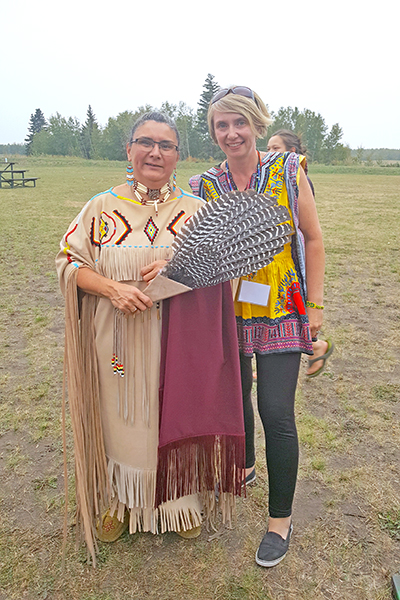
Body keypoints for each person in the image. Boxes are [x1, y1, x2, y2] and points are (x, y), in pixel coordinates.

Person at [56, 111, 245, 565]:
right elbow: (67, 261)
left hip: (180, 345)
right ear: (129, 150)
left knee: (175, 412)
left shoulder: (197, 213)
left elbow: (225, 278)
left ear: (179, 156)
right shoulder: (100, 208)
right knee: (123, 419)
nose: (155, 152)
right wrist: (111, 288)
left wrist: (177, 271)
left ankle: (179, 502)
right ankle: (123, 501)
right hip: (117, 343)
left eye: (166, 145)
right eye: (145, 142)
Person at [189, 86, 325, 567]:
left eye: (239, 123)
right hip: (227, 312)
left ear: (257, 124)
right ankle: (244, 467)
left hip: (283, 310)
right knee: (234, 401)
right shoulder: (204, 186)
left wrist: (316, 308)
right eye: (221, 126)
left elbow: (311, 236)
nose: (231, 133)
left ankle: (280, 521)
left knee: (275, 412)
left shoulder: (288, 171)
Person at [267, 129, 334, 377]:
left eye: (275, 149)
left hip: (297, 259)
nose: (269, 153)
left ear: (291, 153)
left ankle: (317, 345)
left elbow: (306, 230)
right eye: (268, 148)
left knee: (298, 310)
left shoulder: (296, 179)